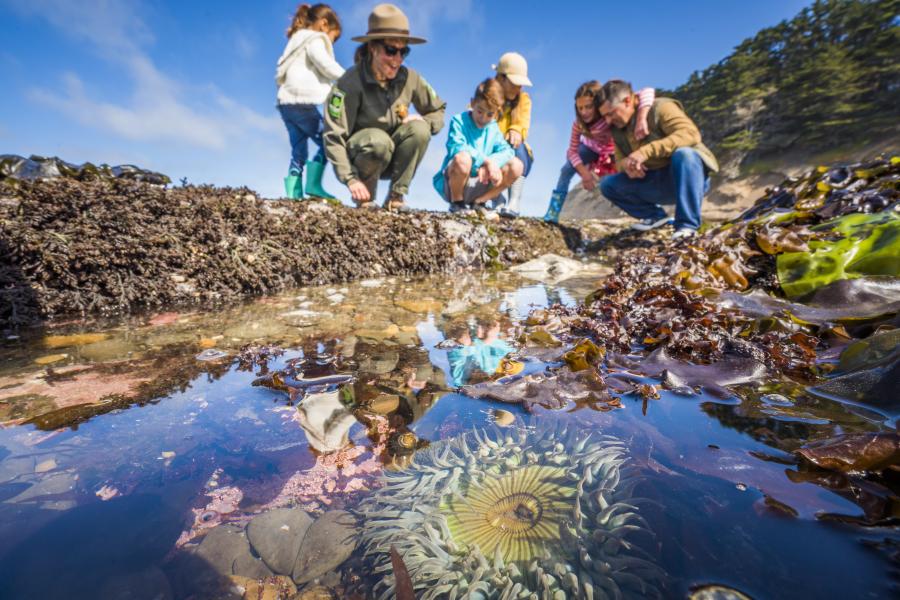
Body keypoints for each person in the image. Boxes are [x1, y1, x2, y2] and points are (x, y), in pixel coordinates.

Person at [323, 3, 446, 212]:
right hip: (364, 154)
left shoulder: (411, 78)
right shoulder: (349, 83)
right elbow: (333, 136)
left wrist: (425, 121)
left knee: (419, 129)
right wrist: (350, 179)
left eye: (403, 51)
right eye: (390, 50)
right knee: (378, 141)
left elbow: (438, 110)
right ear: (373, 47)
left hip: (394, 156)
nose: (397, 59)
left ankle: (396, 198)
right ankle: (365, 201)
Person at [598, 79, 719, 239]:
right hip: (653, 182)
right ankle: (655, 216)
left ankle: (687, 227)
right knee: (607, 184)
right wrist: (628, 166)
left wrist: (645, 152)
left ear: (627, 101)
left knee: (684, 155)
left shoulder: (661, 107)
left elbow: (690, 134)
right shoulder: (618, 130)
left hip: (687, 177)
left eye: (610, 113)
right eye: (604, 116)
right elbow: (619, 162)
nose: (608, 120)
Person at [543, 82, 655, 223]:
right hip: (591, 149)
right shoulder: (578, 124)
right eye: (580, 108)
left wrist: (641, 118)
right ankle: (553, 212)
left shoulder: (608, 112)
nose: (584, 112)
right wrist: (584, 174)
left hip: (614, 150)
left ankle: (650, 209)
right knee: (566, 169)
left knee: (634, 169)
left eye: (588, 107)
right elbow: (572, 152)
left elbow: (647, 91)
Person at [275, 4, 344, 200]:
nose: (332, 43)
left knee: (299, 149)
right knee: (328, 140)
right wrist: (349, 79)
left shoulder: (295, 41)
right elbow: (325, 64)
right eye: (334, 37)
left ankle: (294, 192)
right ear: (324, 25)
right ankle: (313, 185)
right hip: (301, 101)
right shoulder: (314, 39)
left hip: (286, 103)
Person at [433, 78, 522, 214]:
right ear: (473, 103)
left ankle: (479, 202)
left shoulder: (493, 128)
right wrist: (484, 161)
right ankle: (457, 204)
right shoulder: (458, 121)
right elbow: (456, 147)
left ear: (497, 112)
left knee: (517, 166)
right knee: (463, 159)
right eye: (480, 111)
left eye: (490, 114)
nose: (484, 118)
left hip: (481, 183)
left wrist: (492, 163)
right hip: (453, 185)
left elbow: (508, 151)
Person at [492, 52, 534, 218]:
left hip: (517, 156)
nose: (519, 88)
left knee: (516, 145)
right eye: (515, 83)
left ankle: (514, 201)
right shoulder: (486, 97)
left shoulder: (524, 99)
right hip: (491, 156)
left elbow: (523, 123)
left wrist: (516, 129)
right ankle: (496, 198)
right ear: (501, 78)